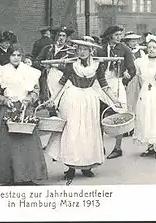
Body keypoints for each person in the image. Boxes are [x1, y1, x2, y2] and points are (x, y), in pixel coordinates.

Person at [45, 37, 123, 179]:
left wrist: (115, 100)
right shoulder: (71, 64)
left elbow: (104, 85)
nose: (81, 52)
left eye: (85, 49)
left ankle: (87, 166)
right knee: (72, 132)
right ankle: (71, 167)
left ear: (90, 51)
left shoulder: (97, 65)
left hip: (89, 100)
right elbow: (61, 83)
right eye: (79, 49)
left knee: (88, 132)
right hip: (72, 98)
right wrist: (52, 98)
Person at [0, 44, 48, 185]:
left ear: (22, 56)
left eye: (18, 55)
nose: (16, 58)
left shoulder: (30, 71)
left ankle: (28, 176)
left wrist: (28, 99)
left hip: (25, 109)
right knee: (8, 144)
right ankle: (9, 177)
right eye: (13, 55)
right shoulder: (1, 71)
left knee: (26, 143)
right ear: (8, 56)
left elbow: (35, 91)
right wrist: (4, 100)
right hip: (8, 109)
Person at [97, 25, 136, 159]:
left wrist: (126, 77)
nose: (119, 37)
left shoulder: (124, 49)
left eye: (120, 34)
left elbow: (132, 70)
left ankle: (118, 147)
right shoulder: (100, 49)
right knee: (99, 114)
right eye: (116, 35)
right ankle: (99, 145)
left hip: (116, 82)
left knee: (119, 114)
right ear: (110, 36)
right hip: (101, 83)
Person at [34, 26, 75, 116]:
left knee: (63, 101)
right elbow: (36, 61)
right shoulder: (48, 48)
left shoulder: (69, 51)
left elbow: (72, 68)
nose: (61, 38)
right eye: (59, 35)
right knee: (49, 101)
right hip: (48, 78)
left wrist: (58, 65)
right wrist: (44, 64)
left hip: (62, 79)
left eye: (64, 36)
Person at [122, 31, 146, 137]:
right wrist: (124, 72)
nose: (134, 43)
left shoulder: (140, 52)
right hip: (128, 79)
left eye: (135, 40)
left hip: (138, 78)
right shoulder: (124, 51)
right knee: (128, 102)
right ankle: (128, 126)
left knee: (138, 102)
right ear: (127, 42)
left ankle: (136, 127)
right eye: (132, 41)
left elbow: (144, 64)